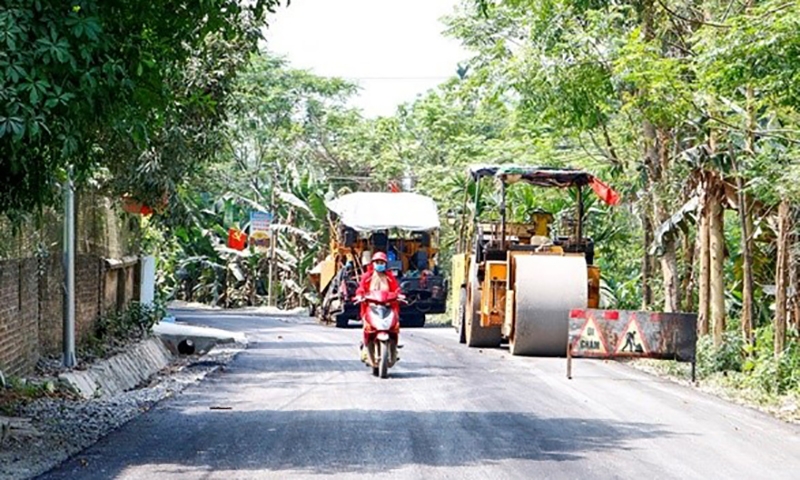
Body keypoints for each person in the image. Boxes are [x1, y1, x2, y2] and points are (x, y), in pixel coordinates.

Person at [355, 252, 403, 362]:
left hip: (387, 307)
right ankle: (366, 348)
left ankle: (394, 348)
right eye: (377, 262)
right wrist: (359, 295)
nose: (379, 264)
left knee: (394, 327)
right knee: (367, 328)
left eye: (382, 262)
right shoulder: (367, 276)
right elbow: (361, 288)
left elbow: (396, 289)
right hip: (371, 307)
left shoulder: (389, 277)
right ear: (373, 263)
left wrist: (399, 294)